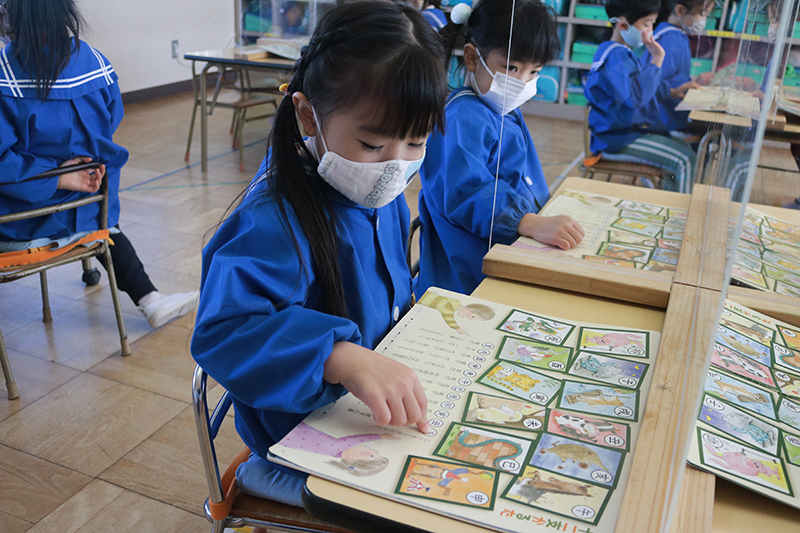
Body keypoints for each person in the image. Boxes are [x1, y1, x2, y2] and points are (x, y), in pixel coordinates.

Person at [191, 1, 447, 512]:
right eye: (373, 143)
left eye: (415, 142)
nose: (395, 167)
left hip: (364, 410)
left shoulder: (381, 197)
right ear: (309, 114)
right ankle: (266, 477)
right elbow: (224, 334)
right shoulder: (273, 220)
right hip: (297, 436)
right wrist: (339, 355)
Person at [0, 0, 197, 329]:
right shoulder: (93, 60)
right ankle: (150, 299)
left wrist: (57, 179)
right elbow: (109, 122)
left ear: (12, 13)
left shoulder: (5, 71)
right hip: (91, 210)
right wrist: (72, 173)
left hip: (21, 222)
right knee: (106, 223)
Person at [415, 0, 585, 298]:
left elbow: (524, 177)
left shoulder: (502, 110)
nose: (522, 82)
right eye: (512, 67)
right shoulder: (462, 117)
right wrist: (529, 221)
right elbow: (467, 191)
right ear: (472, 58)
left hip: (509, 253)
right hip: (470, 280)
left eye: (534, 72)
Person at [584, 0, 697, 194]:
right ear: (623, 24)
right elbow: (636, 96)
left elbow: (642, 84)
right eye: (646, 24)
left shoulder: (623, 52)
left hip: (627, 132)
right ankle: (680, 214)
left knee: (685, 149)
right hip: (617, 139)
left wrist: (673, 92)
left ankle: (669, 199)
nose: (650, 30)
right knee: (685, 159)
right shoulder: (615, 56)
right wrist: (657, 58)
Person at [642, 0, 712, 132]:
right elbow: (663, 86)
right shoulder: (672, 39)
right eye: (701, 14)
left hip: (661, 118)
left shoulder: (667, 34)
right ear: (681, 11)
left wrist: (695, 83)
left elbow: (672, 79)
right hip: (666, 122)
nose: (703, 20)